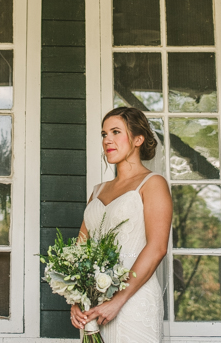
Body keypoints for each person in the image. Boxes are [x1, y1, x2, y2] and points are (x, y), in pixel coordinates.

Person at [70, 107, 173, 342]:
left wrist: (118, 300)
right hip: (93, 305)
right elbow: (80, 250)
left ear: (138, 139)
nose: (108, 140)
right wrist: (76, 299)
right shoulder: (98, 190)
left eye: (116, 132)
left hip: (134, 300)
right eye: (104, 134)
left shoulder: (153, 183)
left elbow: (157, 248)